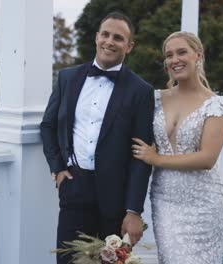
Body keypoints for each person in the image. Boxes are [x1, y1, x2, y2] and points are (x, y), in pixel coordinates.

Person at [40, 12, 154, 264]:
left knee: (111, 262)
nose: (110, 41)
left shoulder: (141, 91)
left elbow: (140, 156)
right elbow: (47, 126)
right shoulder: (68, 77)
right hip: (74, 188)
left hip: (116, 197)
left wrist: (134, 210)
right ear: (96, 37)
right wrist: (57, 168)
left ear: (129, 46)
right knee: (68, 260)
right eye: (105, 34)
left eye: (118, 37)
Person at [132, 31, 223, 264]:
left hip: (206, 203)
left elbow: (207, 158)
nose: (174, 59)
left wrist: (156, 159)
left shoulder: (217, 105)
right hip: (166, 200)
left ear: (198, 54)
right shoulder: (155, 99)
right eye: (169, 55)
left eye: (181, 52)